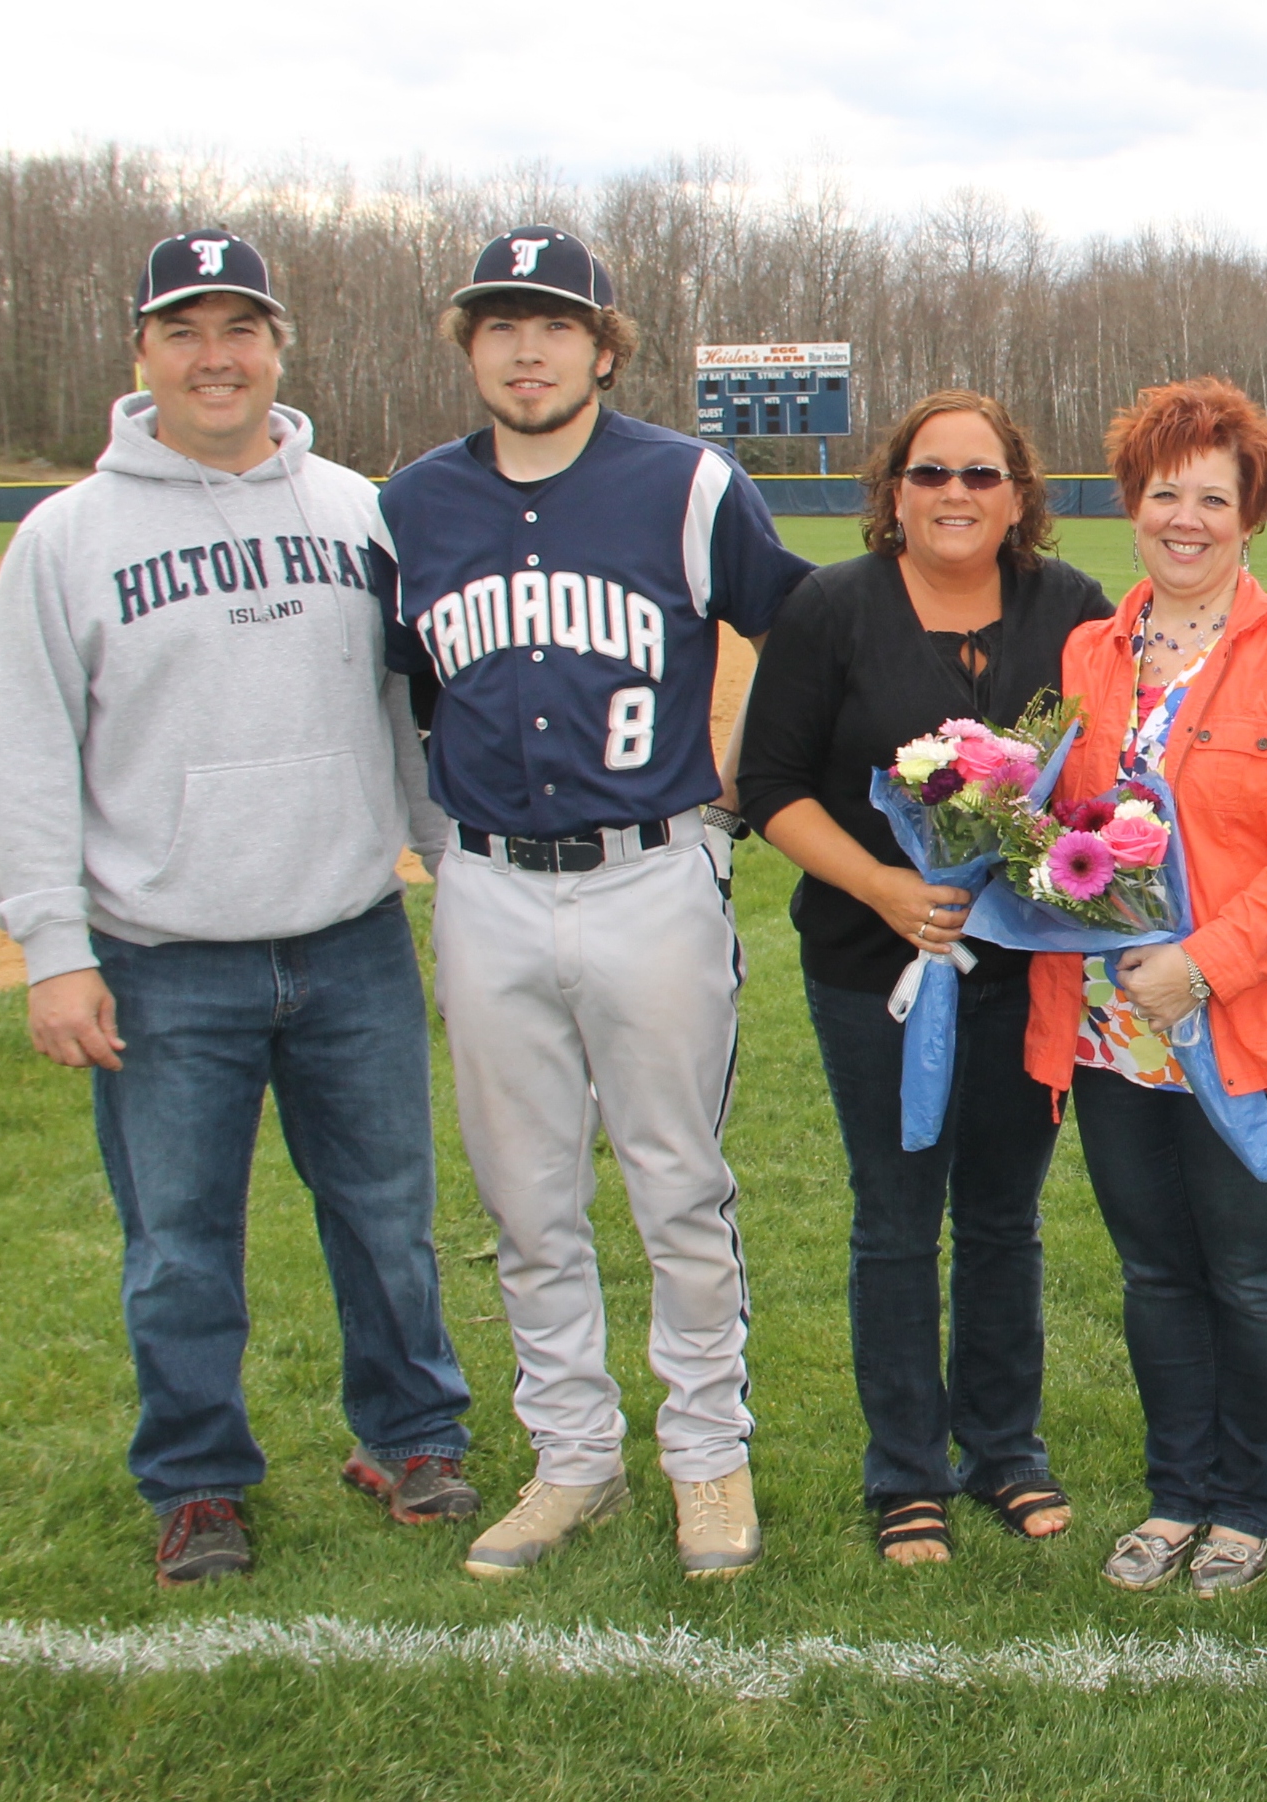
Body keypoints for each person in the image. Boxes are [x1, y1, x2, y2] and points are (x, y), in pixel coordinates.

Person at [0, 231, 473, 1587]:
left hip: (348, 934)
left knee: (387, 1217)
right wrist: (54, 949)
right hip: (161, 958)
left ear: (278, 346)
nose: (217, 358)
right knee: (179, 1245)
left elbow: (410, 716)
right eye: (186, 330)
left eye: (241, 329)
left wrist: (457, 879)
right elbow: (28, 753)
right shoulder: (66, 537)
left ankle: (410, 1434)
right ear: (142, 352)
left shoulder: (356, 508)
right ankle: (198, 1476)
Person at [377, 226, 813, 1581]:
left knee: (678, 1184)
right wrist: (437, 846)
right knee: (526, 1199)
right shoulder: (414, 503)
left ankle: (706, 1454)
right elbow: (408, 686)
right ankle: (572, 1455)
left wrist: (734, 786)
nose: (527, 349)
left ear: (603, 347)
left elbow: (800, 637)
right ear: (470, 348)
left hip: (650, 874)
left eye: (555, 325)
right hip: (487, 885)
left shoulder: (688, 481)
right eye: (500, 326)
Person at [1023, 376, 1267, 1599]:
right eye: (1163, 493)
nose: (1185, 519)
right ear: (1131, 502)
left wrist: (1201, 965)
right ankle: (1175, 1490)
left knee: (1253, 1266)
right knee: (1155, 1268)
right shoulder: (1089, 651)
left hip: (1258, 1015)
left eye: (1212, 498)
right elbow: (1060, 821)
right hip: (1115, 1025)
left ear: (1250, 515)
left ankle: (1246, 1503)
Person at [739, 391, 1110, 1564]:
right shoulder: (832, 606)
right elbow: (770, 784)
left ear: (1018, 495)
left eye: (980, 474)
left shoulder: (1070, 608)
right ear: (892, 491)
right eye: (931, 472)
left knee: (1003, 1216)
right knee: (897, 1217)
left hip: (1025, 969)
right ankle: (905, 1467)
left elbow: (1102, 773)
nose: (956, 492)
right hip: (875, 967)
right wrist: (884, 887)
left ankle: (1003, 1447)